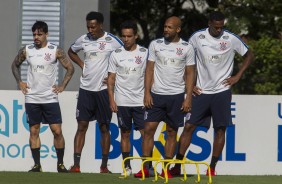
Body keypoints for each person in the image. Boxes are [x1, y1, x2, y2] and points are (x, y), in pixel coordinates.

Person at [169, 11, 254, 176]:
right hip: (201, 91)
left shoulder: (230, 38)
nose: (219, 30)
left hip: (222, 91)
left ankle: (212, 168)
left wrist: (238, 76)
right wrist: (190, 84)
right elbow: (185, 59)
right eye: (216, 27)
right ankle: (177, 165)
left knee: (220, 129)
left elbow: (249, 55)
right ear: (209, 24)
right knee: (188, 127)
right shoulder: (197, 37)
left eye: (221, 27)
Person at [134, 16, 195, 178]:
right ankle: (146, 168)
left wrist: (188, 97)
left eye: (169, 27)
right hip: (156, 95)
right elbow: (149, 69)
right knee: (148, 130)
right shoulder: (155, 44)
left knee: (171, 132)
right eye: (165, 27)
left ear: (178, 29)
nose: (166, 29)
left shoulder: (187, 48)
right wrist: (147, 92)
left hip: (176, 97)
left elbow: (190, 73)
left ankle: (166, 169)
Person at [11, 21, 74, 172]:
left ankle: (60, 164)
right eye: (34, 34)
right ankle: (37, 165)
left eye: (39, 34)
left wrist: (62, 86)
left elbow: (70, 68)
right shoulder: (27, 50)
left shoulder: (55, 50)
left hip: (49, 98)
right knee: (34, 131)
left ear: (47, 34)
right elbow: (14, 65)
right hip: (32, 97)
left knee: (57, 131)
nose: (36, 37)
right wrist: (20, 82)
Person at [68, 11, 123, 173]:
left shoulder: (112, 41)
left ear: (100, 25)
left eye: (93, 27)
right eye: (88, 27)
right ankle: (76, 165)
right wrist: (81, 64)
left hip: (103, 90)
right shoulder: (83, 39)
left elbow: (126, 55)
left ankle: (104, 166)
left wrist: (115, 76)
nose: (90, 30)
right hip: (86, 89)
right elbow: (71, 51)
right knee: (81, 125)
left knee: (104, 127)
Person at [107, 20, 148, 176]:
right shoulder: (116, 54)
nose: (126, 39)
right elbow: (111, 79)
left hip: (140, 101)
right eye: (123, 36)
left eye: (129, 36)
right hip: (122, 101)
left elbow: (150, 76)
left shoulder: (144, 53)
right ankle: (127, 167)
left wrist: (148, 95)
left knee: (145, 134)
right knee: (125, 133)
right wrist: (112, 99)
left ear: (136, 36)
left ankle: (146, 167)